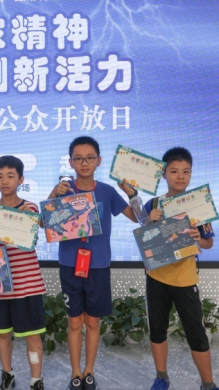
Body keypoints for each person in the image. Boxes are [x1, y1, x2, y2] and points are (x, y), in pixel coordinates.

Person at [47, 136, 140, 390]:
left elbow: (137, 218)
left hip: (98, 265)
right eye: (78, 158)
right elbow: (45, 223)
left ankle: (89, 371)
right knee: (74, 322)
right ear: (70, 162)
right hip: (69, 264)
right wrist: (53, 195)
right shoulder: (64, 190)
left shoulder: (107, 191)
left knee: (93, 322)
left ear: (99, 160)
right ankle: (75, 373)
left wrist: (131, 193)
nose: (84, 163)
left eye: (90, 158)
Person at [132, 147, 219, 390]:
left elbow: (208, 243)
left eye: (186, 171)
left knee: (197, 335)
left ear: (191, 173)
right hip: (156, 277)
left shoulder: (198, 204)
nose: (180, 176)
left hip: (185, 279)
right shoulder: (153, 204)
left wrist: (198, 239)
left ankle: (208, 384)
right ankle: (162, 378)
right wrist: (150, 221)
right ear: (164, 174)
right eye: (174, 171)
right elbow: (144, 239)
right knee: (157, 332)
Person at [0, 155, 47, 390]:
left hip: (28, 285)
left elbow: (31, 241)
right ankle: (7, 375)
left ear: (21, 179)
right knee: (3, 335)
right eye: (0, 176)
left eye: (10, 176)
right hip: (0, 286)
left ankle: (36, 380)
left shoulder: (30, 208)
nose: (4, 181)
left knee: (32, 335)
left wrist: (25, 220)